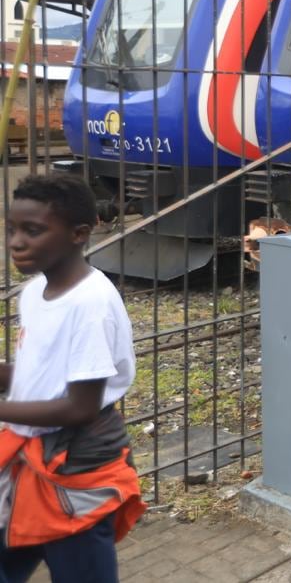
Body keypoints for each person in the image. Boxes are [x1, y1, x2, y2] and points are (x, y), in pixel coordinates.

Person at [0, 174, 145, 581]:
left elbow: (79, 406)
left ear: (79, 234)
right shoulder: (35, 293)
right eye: (11, 229)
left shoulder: (90, 305)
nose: (16, 242)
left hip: (74, 472)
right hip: (28, 461)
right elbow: (39, 374)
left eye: (33, 230)